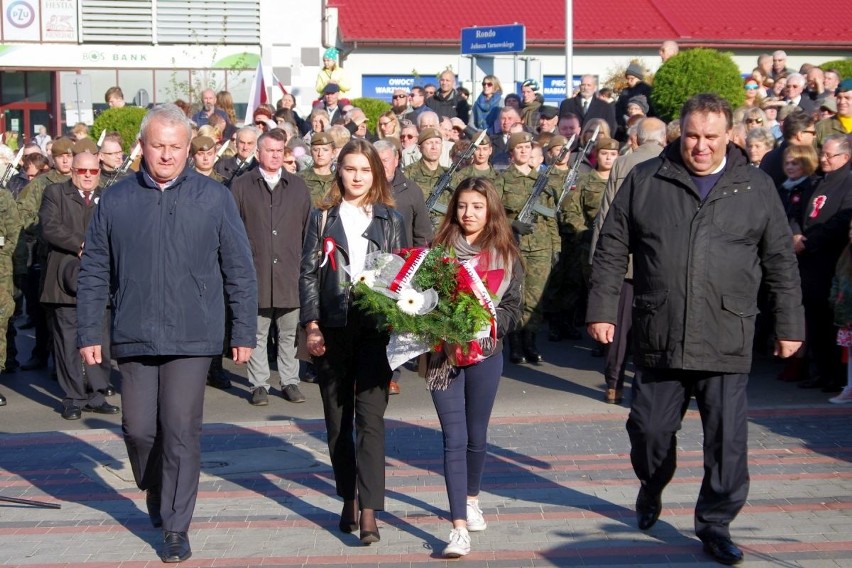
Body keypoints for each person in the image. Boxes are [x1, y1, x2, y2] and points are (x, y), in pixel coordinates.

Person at [587, 93, 804, 565]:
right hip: (659, 330)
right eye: (691, 136)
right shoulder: (647, 178)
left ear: (730, 136)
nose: (700, 146)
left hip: (727, 333)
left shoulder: (755, 186)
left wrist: (790, 324)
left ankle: (715, 524)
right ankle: (652, 483)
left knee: (727, 442)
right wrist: (602, 310)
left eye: (710, 137)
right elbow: (611, 246)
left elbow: (781, 262)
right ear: (677, 134)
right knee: (647, 432)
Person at [76, 104, 257, 563]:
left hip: (193, 334)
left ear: (187, 148)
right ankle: (155, 484)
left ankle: (176, 526)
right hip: (134, 331)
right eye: (158, 145)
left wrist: (243, 329)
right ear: (143, 145)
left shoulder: (214, 198)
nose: (167, 155)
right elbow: (95, 269)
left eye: (176, 147)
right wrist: (88, 331)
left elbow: (239, 268)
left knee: (180, 429)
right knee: (138, 430)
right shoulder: (115, 200)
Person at [299, 139, 407, 545]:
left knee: (372, 420)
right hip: (333, 326)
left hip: (377, 328)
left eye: (365, 169)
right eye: (350, 168)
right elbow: (307, 273)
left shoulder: (391, 219)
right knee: (338, 421)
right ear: (338, 171)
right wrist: (311, 324)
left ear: (375, 173)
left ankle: (369, 511)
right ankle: (348, 495)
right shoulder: (322, 216)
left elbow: (401, 273)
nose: (357, 176)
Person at [428, 177, 523, 558]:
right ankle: (458, 530)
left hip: (485, 354)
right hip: (443, 357)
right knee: (454, 438)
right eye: (463, 206)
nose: (469, 214)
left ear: (491, 210)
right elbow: (422, 299)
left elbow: (514, 308)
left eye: (477, 207)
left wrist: (488, 322)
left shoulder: (506, 254)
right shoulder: (438, 251)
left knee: (476, 437)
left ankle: (471, 498)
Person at [231, 129, 311, 406]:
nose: (276, 155)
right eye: (270, 150)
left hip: (290, 273)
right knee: (257, 334)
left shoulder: (298, 186)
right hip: (256, 273)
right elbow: (233, 231)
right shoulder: (241, 186)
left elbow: (307, 231)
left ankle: (290, 382)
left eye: (280, 150)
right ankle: (259, 385)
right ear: (258, 153)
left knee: (289, 334)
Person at [39, 151, 118, 420]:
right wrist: (82, 245)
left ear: (99, 172)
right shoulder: (55, 193)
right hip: (63, 282)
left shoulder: (109, 196)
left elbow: (116, 230)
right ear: (72, 171)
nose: (87, 176)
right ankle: (73, 397)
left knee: (100, 341)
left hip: (99, 281)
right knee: (68, 342)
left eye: (93, 171)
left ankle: (96, 392)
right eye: (82, 171)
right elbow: (49, 227)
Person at [789, 135, 852, 394]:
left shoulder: (848, 184)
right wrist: (794, 234)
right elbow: (796, 210)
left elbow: (840, 222)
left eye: (830, 155)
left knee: (830, 322)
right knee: (813, 319)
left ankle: (834, 375)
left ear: (845, 157)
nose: (824, 159)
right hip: (808, 261)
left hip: (829, 259)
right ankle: (820, 370)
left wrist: (810, 242)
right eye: (822, 154)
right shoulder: (816, 181)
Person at [497, 132, 560, 364]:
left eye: (527, 147)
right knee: (516, 295)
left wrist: (556, 246)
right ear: (511, 153)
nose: (524, 151)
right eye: (519, 147)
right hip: (514, 245)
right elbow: (492, 215)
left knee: (536, 297)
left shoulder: (543, 181)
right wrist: (511, 224)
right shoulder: (501, 180)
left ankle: (530, 342)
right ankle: (514, 343)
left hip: (541, 245)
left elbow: (551, 217)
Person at [828, 224, 852, 403]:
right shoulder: (846, 254)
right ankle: (849, 387)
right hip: (847, 312)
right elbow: (837, 279)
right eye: (850, 228)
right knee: (850, 354)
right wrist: (835, 299)